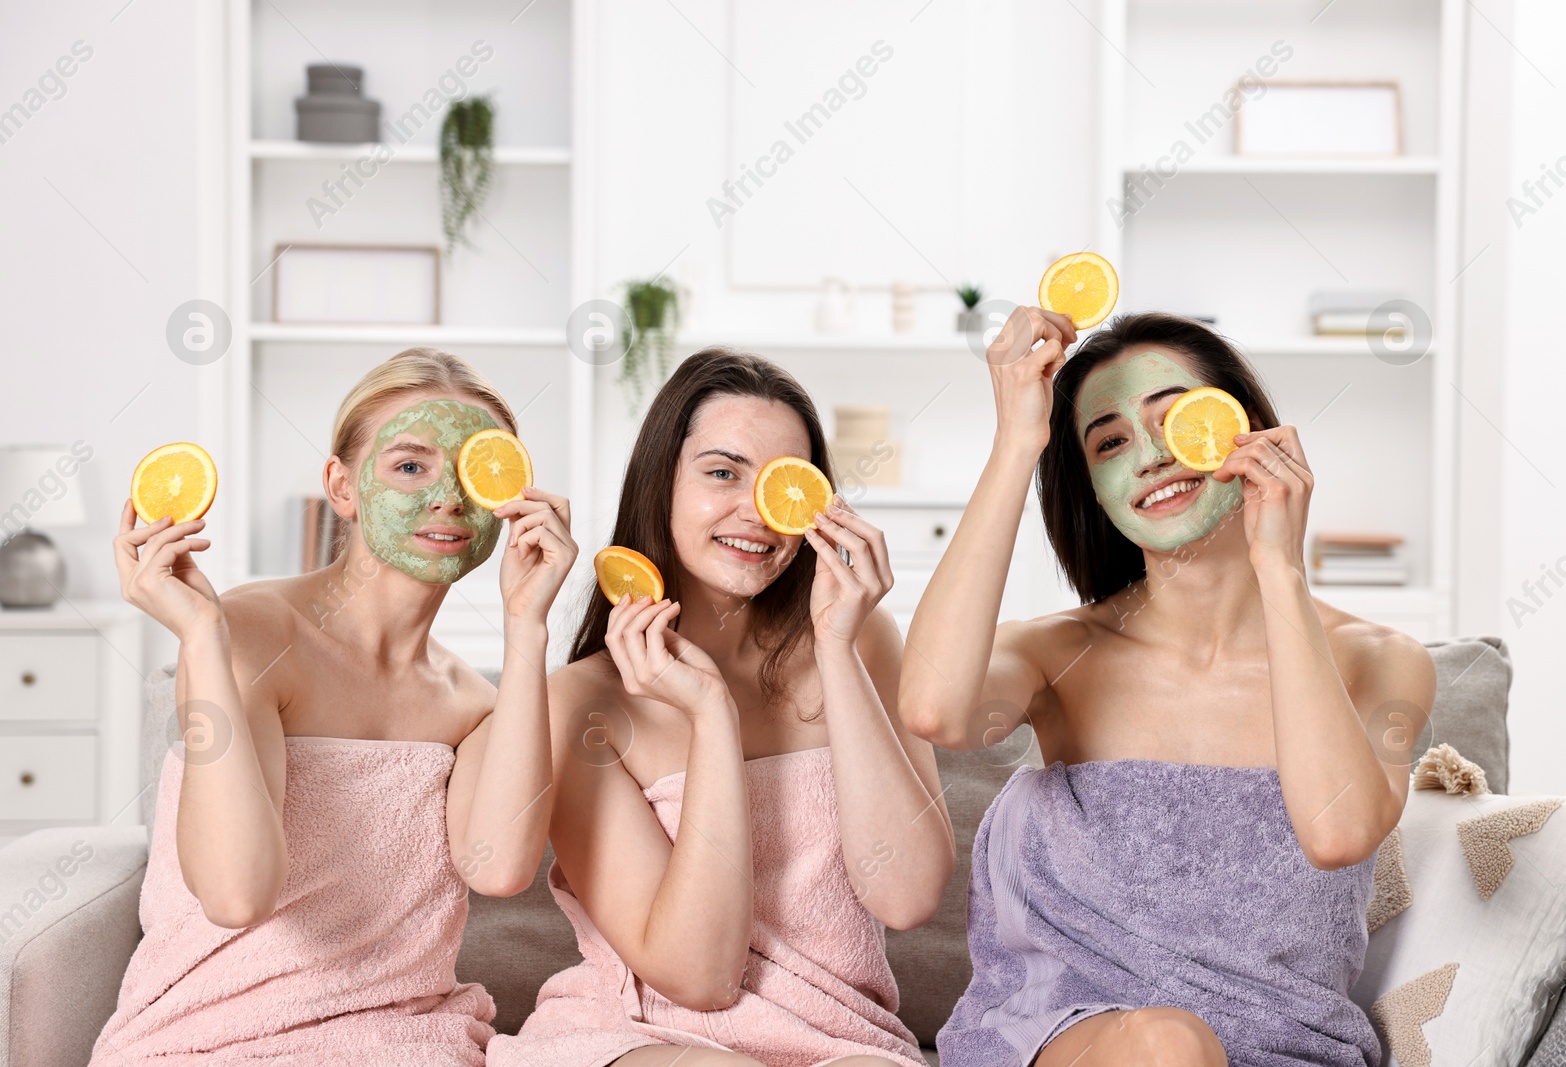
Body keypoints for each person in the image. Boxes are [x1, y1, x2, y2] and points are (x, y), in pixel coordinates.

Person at [900, 310, 1434, 1067]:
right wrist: (1018, 443)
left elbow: (1338, 833)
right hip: (1073, 1036)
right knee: (1168, 1044)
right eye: (1110, 441)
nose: (1149, 455)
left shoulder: (1381, 661)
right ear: (1093, 485)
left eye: (1176, 417)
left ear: (1247, 429)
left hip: (1290, 1047)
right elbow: (934, 707)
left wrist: (1280, 570)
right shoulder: (1062, 653)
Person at [92, 348, 575, 1066]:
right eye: (409, 466)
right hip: (212, 1040)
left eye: (474, 470)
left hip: (408, 1043)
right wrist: (199, 635)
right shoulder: (247, 633)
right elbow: (234, 892)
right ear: (341, 487)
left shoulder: (474, 705)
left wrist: (529, 625)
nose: (445, 496)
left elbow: (499, 868)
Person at [487, 348, 953, 1067]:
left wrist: (837, 648)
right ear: (660, 482)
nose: (756, 512)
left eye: (781, 484)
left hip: (839, 1035)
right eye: (722, 472)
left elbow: (907, 895)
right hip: (644, 1034)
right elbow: (700, 976)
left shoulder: (865, 642)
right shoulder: (582, 703)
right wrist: (711, 718)